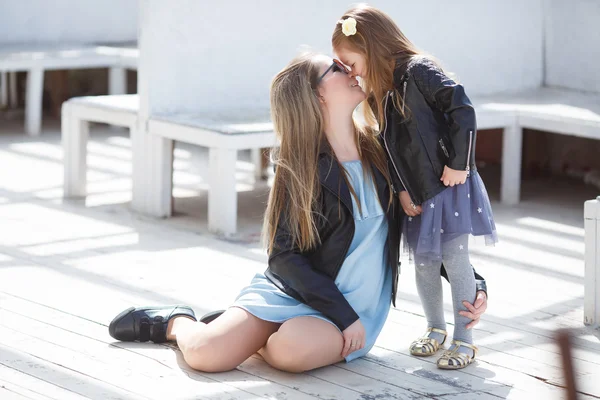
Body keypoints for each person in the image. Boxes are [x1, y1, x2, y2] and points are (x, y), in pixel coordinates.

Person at [109, 52, 402, 372]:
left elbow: (427, 217)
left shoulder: (384, 151)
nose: (347, 68)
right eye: (334, 67)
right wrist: (343, 317)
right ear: (318, 95)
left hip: (355, 310)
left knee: (290, 351)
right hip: (299, 291)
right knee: (205, 354)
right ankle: (176, 322)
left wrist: (462, 278)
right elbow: (284, 257)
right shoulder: (302, 169)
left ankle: (248, 332)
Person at [331, 5, 498, 369]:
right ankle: (435, 328)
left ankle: (465, 340)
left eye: (349, 62)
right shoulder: (381, 92)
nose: (348, 72)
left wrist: (459, 164)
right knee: (423, 263)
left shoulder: (418, 71)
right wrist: (403, 191)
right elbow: (392, 149)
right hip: (419, 193)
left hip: (449, 184)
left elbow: (462, 110)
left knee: (454, 258)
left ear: (371, 47)